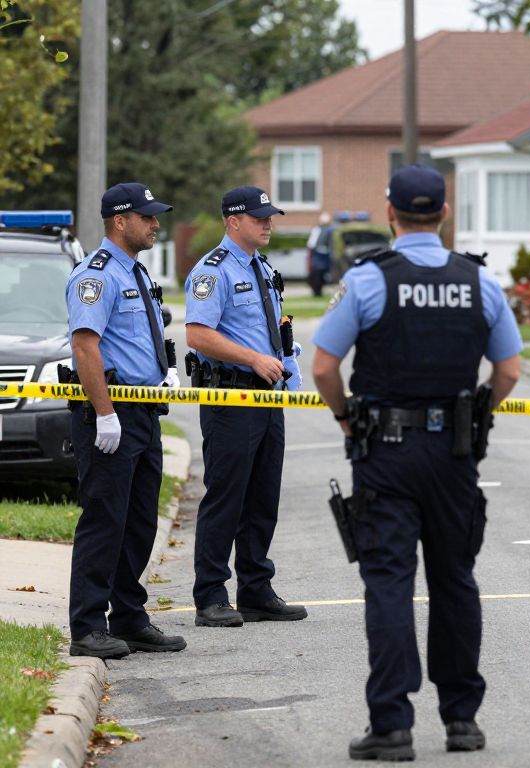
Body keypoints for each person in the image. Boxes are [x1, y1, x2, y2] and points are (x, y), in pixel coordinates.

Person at [312, 164, 522, 762]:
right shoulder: (478, 282)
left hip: (385, 455)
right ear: (445, 214)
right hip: (454, 453)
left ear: (390, 213)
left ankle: (392, 726)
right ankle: (462, 721)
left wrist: (346, 417)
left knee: (388, 583)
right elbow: (508, 370)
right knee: (455, 580)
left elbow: (325, 367)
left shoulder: (369, 280)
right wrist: (477, 414)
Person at [65, 182, 186, 658]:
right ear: (120, 220)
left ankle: (130, 618)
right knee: (105, 520)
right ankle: (88, 627)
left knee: (138, 522)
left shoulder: (136, 273)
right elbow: (85, 346)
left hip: (143, 412)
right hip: (109, 414)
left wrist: (165, 371)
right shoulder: (96, 275)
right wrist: (105, 414)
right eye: (147, 216)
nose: (156, 223)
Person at [184, 186, 306, 629]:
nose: (268, 222)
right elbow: (198, 334)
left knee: (262, 497)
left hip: (268, 398)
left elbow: (275, 329)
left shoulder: (264, 269)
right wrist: (254, 359)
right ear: (233, 222)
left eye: (270, 216)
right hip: (231, 397)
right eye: (259, 217)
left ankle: (255, 590)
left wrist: (287, 365)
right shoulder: (212, 271)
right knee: (227, 496)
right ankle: (211, 595)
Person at [307, 211, 336, 296]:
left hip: (325, 256)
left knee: (320, 275)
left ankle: (318, 291)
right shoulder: (319, 230)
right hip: (320, 256)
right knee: (318, 275)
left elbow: (311, 245)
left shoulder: (322, 230)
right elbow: (311, 245)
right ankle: (317, 292)